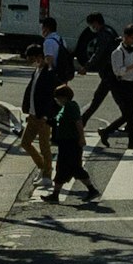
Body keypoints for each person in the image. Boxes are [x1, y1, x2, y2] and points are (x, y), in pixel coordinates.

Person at [43, 71, 100, 205]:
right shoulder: (64, 109)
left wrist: (82, 137)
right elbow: (58, 121)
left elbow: (78, 122)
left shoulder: (71, 107)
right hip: (65, 143)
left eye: (58, 97)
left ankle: (92, 190)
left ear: (64, 97)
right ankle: (55, 195)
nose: (57, 100)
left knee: (75, 168)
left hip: (72, 143)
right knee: (62, 168)